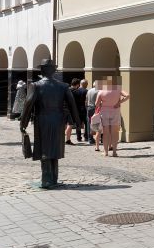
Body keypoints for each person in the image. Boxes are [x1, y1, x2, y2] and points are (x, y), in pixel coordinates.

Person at [19, 59, 80, 189]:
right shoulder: (63, 86)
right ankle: (53, 178)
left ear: (42, 70)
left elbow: (28, 105)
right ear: (53, 70)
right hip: (58, 121)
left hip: (42, 120)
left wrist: (23, 122)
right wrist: (77, 122)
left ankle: (47, 180)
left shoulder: (36, 85)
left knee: (44, 150)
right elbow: (72, 105)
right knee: (55, 149)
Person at [95, 77, 128, 157]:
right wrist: (119, 102)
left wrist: (103, 104)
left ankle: (106, 152)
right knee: (115, 133)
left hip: (104, 112)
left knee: (106, 133)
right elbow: (128, 95)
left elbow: (96, 104)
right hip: (115, 112)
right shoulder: (118, 90)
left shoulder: (101, 92)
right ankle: (114, 152)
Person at [85, 79, 102, 150]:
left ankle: (90, 139)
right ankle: (100, 138)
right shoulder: (99, 91)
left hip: (89, 108)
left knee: (89, 123)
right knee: (99, 123)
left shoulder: (89, 90)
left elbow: (86, 100)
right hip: (96, 108)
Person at [70, 78, 88, 142]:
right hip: (85, 109)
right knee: (86, 123)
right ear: (86, 85)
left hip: (77, 109)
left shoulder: (75, 91)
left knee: (78, 124)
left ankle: (79, 137)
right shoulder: (87, 91)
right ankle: (86, 137)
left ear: (80, 84)